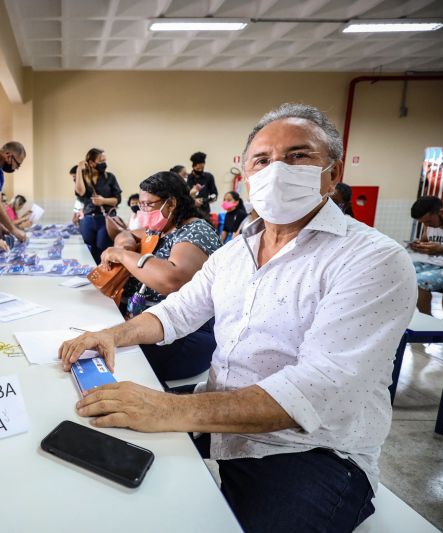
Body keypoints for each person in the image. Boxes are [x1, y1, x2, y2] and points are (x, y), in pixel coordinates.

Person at [60, 103, 416, 532]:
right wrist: (113, 335)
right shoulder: (235, 253)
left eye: (298, 156)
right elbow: (177, 312)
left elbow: (318, 390)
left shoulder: (372, 260)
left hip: (308, 451)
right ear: (247, 176)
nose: (277, 170)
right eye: (262, 161)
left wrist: (167, 408)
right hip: (222, 416)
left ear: (333, 173)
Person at [100, 172, 221, 383]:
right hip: (150, 324)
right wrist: (125, 243)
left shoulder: (196, 230)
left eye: (148, 205)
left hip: (184, 334)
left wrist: (122, 255)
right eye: (140, 205)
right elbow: (127, 233)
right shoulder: (160, 229)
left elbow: (172, 280)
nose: (142, 211)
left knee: (110, 363)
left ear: (171, 203)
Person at [74, 148, 122, 263]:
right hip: (88, 219)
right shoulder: (84, 178)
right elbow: (80, 192)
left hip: (105, 219)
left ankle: (104, 276)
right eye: (101, 160)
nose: (104, 163)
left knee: (103, 249)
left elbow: (117, 199)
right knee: (87, 250)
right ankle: (90, 276)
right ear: (91, 163)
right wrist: (79, 170)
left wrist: (103, 201)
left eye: (105, 160)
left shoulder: (109, 177)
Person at [409, 196, 443, 318]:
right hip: (434, 264)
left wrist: (442, 250)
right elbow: (425, 239)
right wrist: (418, 244)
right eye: (424, 222)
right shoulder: (429, 225)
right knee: (404, 270)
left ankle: (427, 320)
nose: (427, 225)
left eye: (429, 221)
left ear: (442, 212)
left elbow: (440, 247)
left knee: (419, 281)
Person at [187, 151, 218, 215]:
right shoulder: (187, 178)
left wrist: (203, 200)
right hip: (190, 211)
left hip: (204, 211)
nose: (200, 170)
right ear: (193, 166)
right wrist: (193, 201)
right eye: (198, 168)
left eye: (202, 168)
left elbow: (214, 195)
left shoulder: (209, 177)